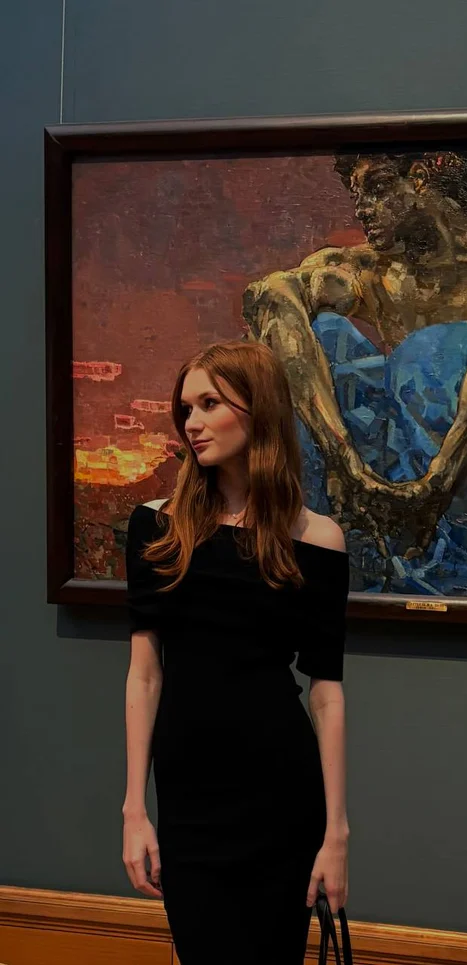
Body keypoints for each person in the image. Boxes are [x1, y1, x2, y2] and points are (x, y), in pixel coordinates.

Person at [243, 148, 467, 555]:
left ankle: (434, 533)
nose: (361, 209)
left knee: (434, 351)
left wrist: (438, 483)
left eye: (377, 188)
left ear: (418, 177)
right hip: (391, 473)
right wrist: (343, 461)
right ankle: (338, 518)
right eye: (356, 194)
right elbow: (271, 296)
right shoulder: (372, 270)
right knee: (322, 332)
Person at [122, 340, 349, 964]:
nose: (191, 423)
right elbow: (144, 676)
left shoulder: (318, 540)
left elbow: (326, 693)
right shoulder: (156, 527)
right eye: (186, 408)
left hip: (281, 796)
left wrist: (336, 834)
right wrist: (134, 810)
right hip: (189, 798)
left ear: (259, 410)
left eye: (209, 404)